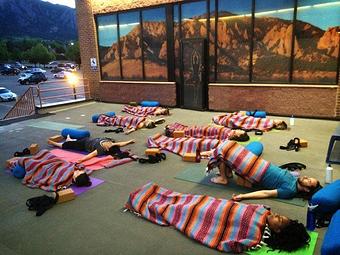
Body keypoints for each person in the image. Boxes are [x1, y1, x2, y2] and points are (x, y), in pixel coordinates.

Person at [126, 182, 310, 253]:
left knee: (176, 209)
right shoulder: (264, 211)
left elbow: (231, 242)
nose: (276, 215)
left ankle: (148, 202)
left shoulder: (255, 236)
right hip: (212, 204)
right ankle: (153, 194)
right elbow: (243, 206)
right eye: (279, 215)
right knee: (185, 199)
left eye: (278, 219)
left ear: (276, 230)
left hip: (206, 216)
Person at [203, 140, 321, 200]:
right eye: (309, 178)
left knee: (223, 150)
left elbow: (266, 193)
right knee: (229, 144)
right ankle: (226, 172)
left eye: (309, 181)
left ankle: (223, 178)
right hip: (260, 164)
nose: (306, 178)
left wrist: (243, 196)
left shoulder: (289, 191)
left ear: (306, 190)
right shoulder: (295, 179)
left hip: (254, 172)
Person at [48, 136, 135, 164]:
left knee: (68, 145)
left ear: (107, 149)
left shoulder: (101, 149)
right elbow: (120, 143)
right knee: (77, 139)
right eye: (109, 143)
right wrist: (129, 141)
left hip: (82, 145)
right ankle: (69, 139)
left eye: (108, 145)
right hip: (87, 139)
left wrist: (80, 160)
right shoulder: (111, 144)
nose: (108, 144)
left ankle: (54, 144)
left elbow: (91, 155)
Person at [165, 122, 250, 141]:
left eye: (240, 131)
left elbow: (213, 137)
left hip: (206, 132)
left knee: (191, 131)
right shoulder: (230, 131)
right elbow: (220, 127)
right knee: (192, 128)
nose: (239, 130)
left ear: (239, 136)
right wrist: (212, 125)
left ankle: (171, 131)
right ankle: (172, 128)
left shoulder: (227, 137)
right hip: (208, 128)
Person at [212, 112, 287, 131]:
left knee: (234, 120)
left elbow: (257, 125)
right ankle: (221, 118)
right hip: (250, 119)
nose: (277, 119)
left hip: (249, 121)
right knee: (238, 116)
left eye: (279, 120)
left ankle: (218, 119)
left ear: (278, 124)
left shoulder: (270, 123)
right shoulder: (270, 122)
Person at [97, 114, 165, 134]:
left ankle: (103, 118)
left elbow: (134, 128)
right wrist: (157, 121)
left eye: (150, 122)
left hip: (125, 120)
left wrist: (129, 131)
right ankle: (106, 117)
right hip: (127, 118)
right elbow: (155, 121)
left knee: (113, 120)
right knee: (117, 118)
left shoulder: (141, 124)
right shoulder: (147, 120)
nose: (150, 120)